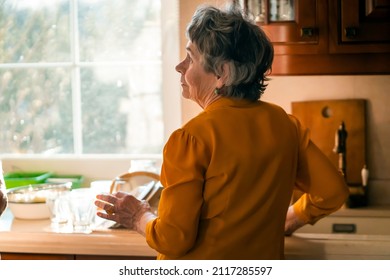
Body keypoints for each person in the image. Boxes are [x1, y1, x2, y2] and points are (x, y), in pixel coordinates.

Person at [95, 4, 349, 259]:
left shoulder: (191, 139)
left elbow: (172, 240)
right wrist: (291, 219)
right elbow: (333, 192)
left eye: (190, 58)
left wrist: (139, 216)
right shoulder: (286, 125)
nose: (179, 66)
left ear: (222, 73)